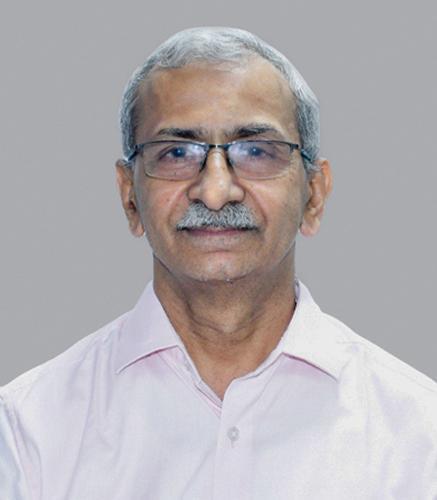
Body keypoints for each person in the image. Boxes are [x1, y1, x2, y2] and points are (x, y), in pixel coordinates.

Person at [1, 26, 436, 500]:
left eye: (256, 151)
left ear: (314, 194)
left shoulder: (418, 436)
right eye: (176, 153)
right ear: (129, 196)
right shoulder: (30, 430)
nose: (214, 191)